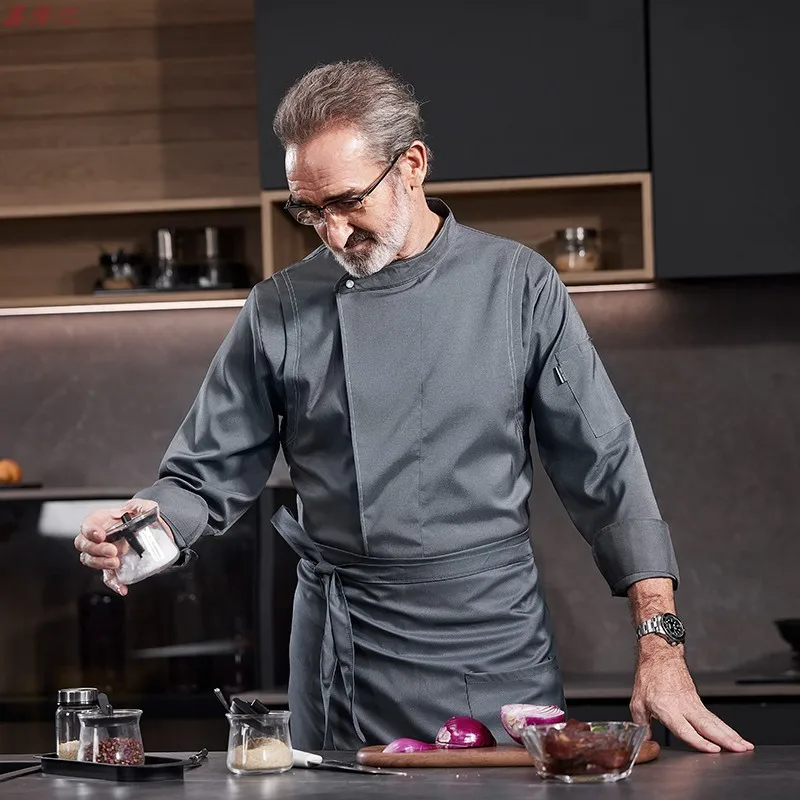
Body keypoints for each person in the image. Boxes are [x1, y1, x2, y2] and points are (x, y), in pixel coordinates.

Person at [75, 60, 752, 754]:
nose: (331, 234)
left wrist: (660, 645)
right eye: (308, 211)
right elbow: (203, 475)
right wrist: (134, 536)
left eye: (346, 202)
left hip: (487, 642)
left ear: (413, 165)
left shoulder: (518, 287)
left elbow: (607, 472)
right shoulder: (278, 307)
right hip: (340, 649)